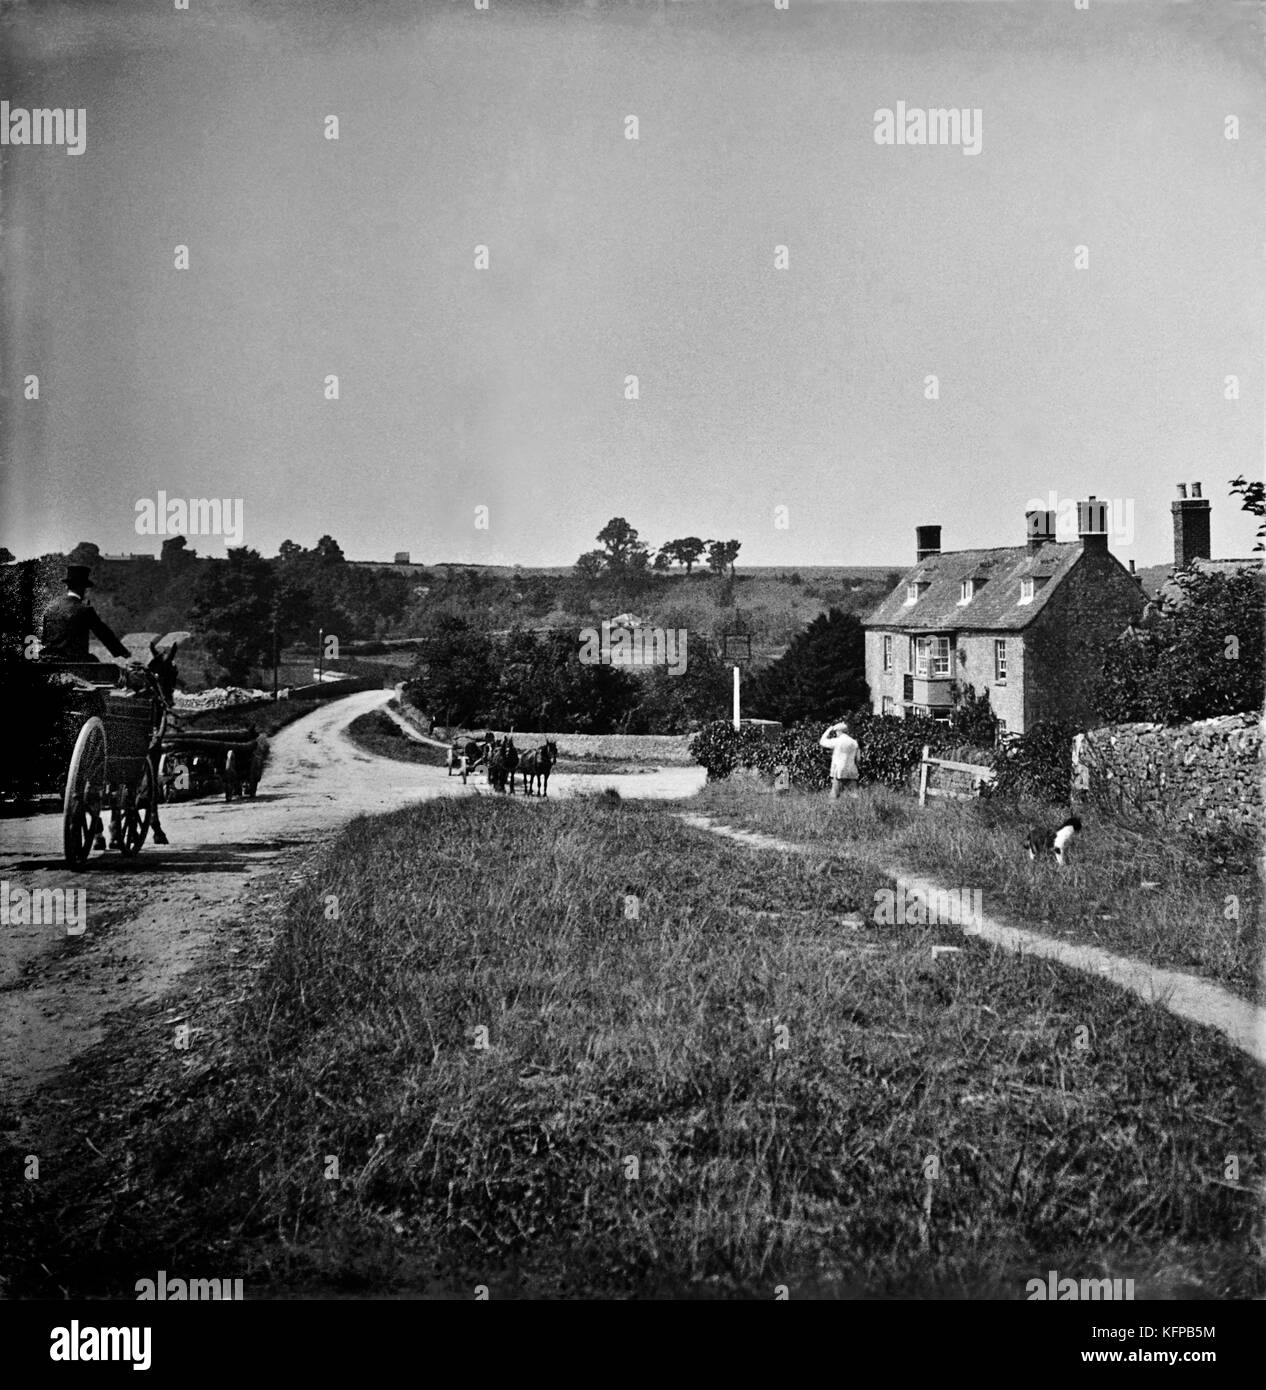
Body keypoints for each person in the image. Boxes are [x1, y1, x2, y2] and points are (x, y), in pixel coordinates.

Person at [39, 565, 131, 663]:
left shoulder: (50, 609)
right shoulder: (85, 610)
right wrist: (122, 652)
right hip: (75, 662)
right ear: (82, 588)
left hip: (48, 661)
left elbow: (44, 639)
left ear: (67, 587)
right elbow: (103, 633)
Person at [819, 718, 860, 799]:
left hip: (839, 771)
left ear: (839, 731)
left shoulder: (837, 741)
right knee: (854, 795)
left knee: (834, 795)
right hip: (852, 770)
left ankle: (832, 810)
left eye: (836, 732)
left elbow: (822, 742)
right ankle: (856, 809)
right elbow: (858, 759)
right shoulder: (854, 742)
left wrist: (828, 730)